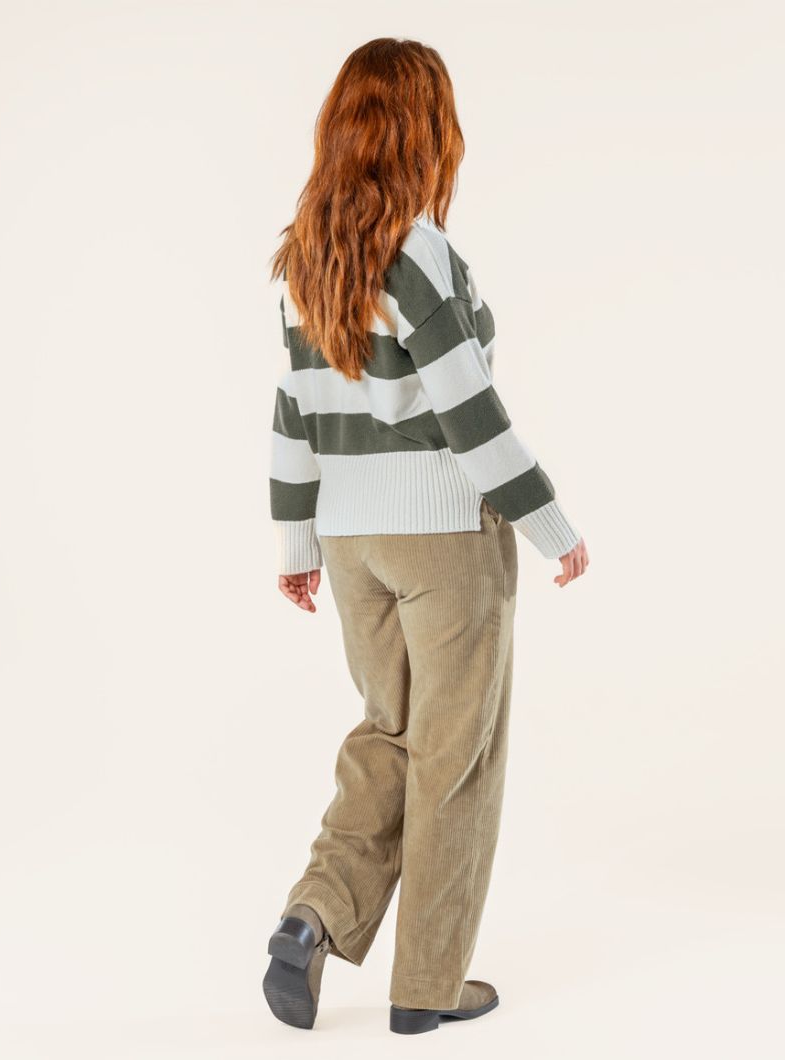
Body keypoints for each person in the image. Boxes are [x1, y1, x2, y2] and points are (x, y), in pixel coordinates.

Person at [264, 36, 589, 1035]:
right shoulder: (417, 250)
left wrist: (295, 545)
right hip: (442, 534)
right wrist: (546, 520)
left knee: (388, 735)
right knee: (455, 754)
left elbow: (291, 412)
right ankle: (427, 986)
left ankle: (311, 919)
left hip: (350, 541)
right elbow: (466, 407)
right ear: (424, 129)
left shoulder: (303, 256)